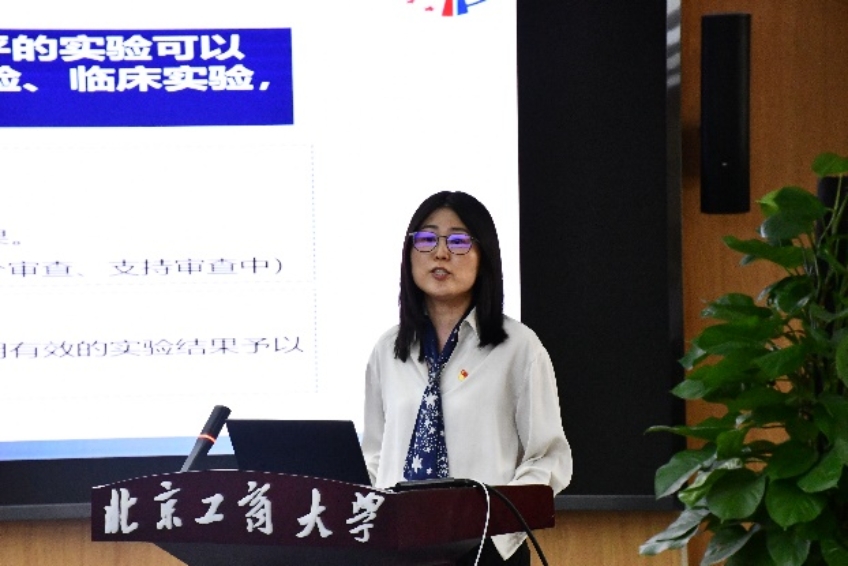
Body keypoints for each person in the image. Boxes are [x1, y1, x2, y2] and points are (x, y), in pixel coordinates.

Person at [362, 190, 573, 566]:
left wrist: (498, 533)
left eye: (458, 241)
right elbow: (375, 453)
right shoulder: (388, 349)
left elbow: (548, 457)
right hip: (399, 550)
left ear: (484, 256)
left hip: (484, 549)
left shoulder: (518, 347)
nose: (440, 253)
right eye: (426, 239)